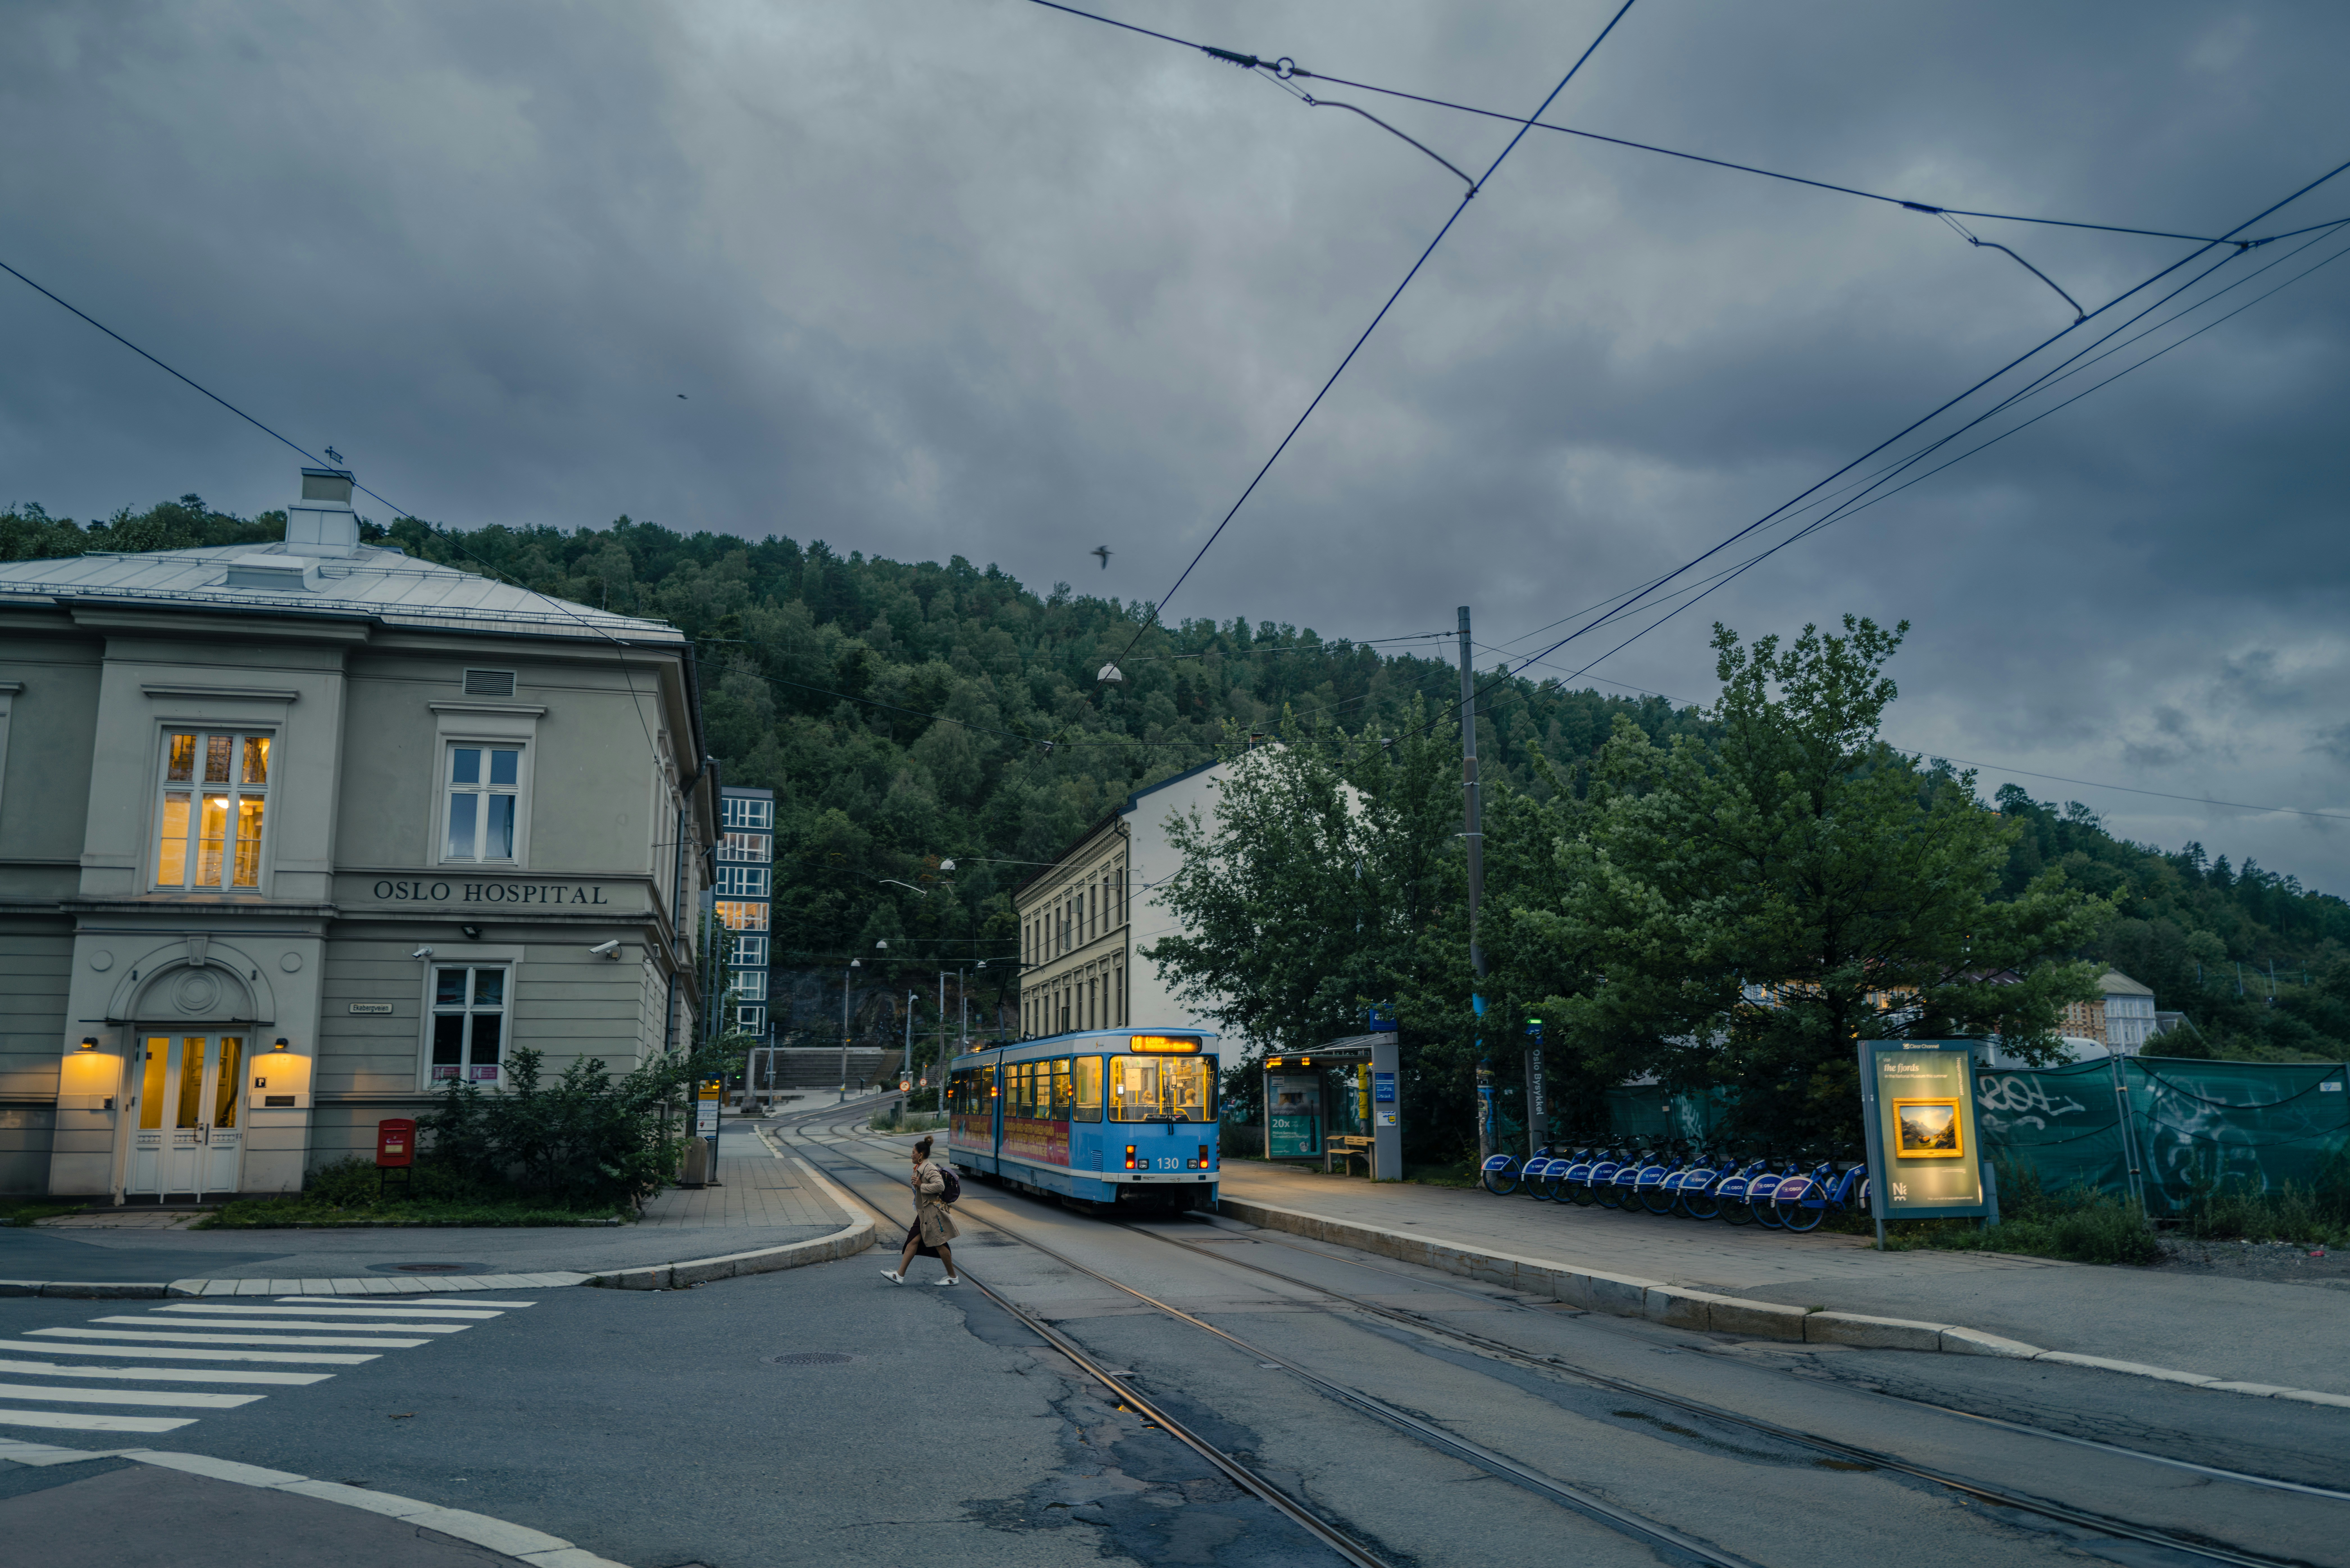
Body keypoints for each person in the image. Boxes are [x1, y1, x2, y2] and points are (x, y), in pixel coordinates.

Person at [881, 1134, 959, 1286]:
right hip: (925, 1211)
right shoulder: (920, 1168)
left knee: (939, 1243)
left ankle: (952, 1277)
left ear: (920, 1155)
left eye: (913, 1152)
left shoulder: (929, 1169)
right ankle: (900, 1275)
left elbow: (940, 1186)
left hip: (932, 1212)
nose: (911, 1155)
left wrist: (921, 1185)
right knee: (914, 1240)